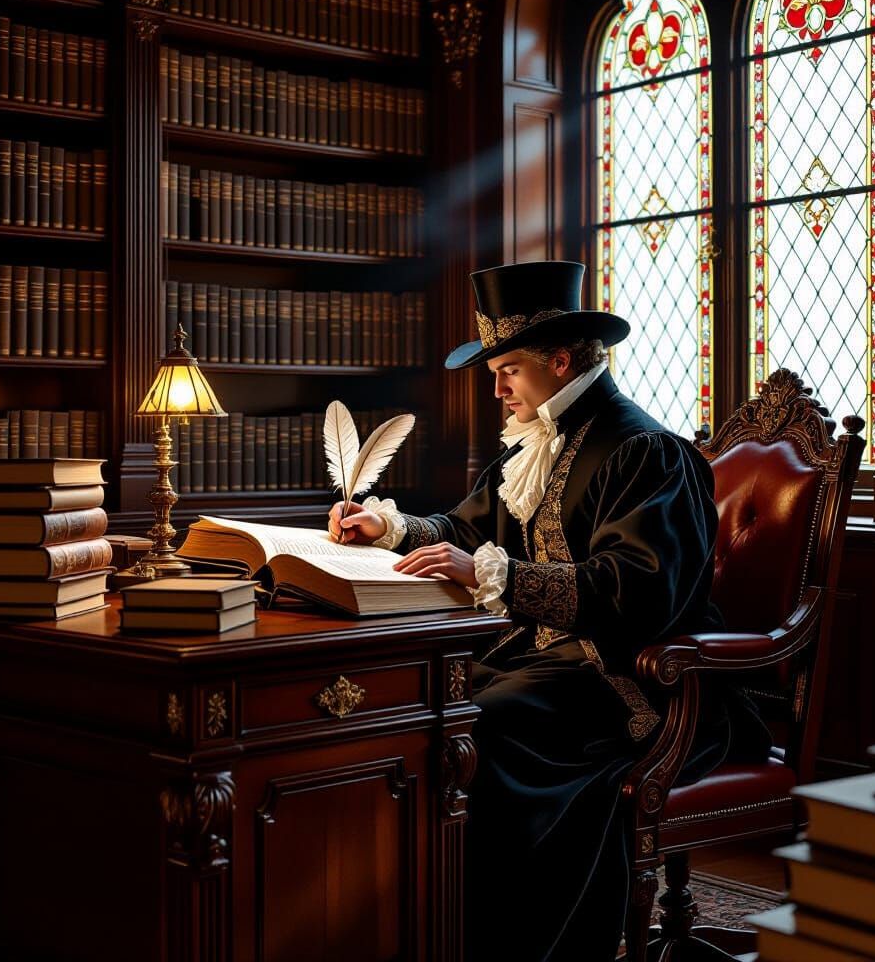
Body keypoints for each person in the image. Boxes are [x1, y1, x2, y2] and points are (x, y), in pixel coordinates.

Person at [327, 260, 770, 962]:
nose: (497, 388)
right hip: (546, 667)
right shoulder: (533, 440)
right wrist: (392, 529)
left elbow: (639, 593)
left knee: (483, 727)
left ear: (560, 362)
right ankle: (415, 927)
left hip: (635, 684)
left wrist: (491, 575)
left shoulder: (646, 451)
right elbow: (468, 530)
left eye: (508, 371)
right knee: (427, 711)